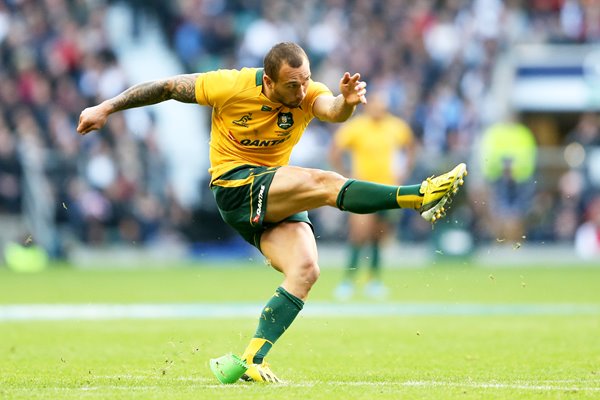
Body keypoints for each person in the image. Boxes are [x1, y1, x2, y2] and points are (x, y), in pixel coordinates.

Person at [77, 42, 467, 384]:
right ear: (268, 81)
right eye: (292, 85)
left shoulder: (308, 92)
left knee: (306, 270)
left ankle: (251, 359)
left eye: (305, 81)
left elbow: (330, 109)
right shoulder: (228, 84)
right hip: (235, 186)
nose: (301, 91)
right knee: (324, 182)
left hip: (272, 192)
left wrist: (346, 103)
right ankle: (418, 195)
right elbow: (165, 87)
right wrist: (106, 107)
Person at [330, 90, 415, 300]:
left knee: (379, 236)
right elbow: (335, 151)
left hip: (388, 189)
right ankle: (347, 282)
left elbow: (411, 148)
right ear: (368, 106)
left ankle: (373, 281)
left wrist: (404, 172)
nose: (379, 108)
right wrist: (346, 175)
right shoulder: (356, 127)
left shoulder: (396, 126)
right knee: (359, 234)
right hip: (363, 189)